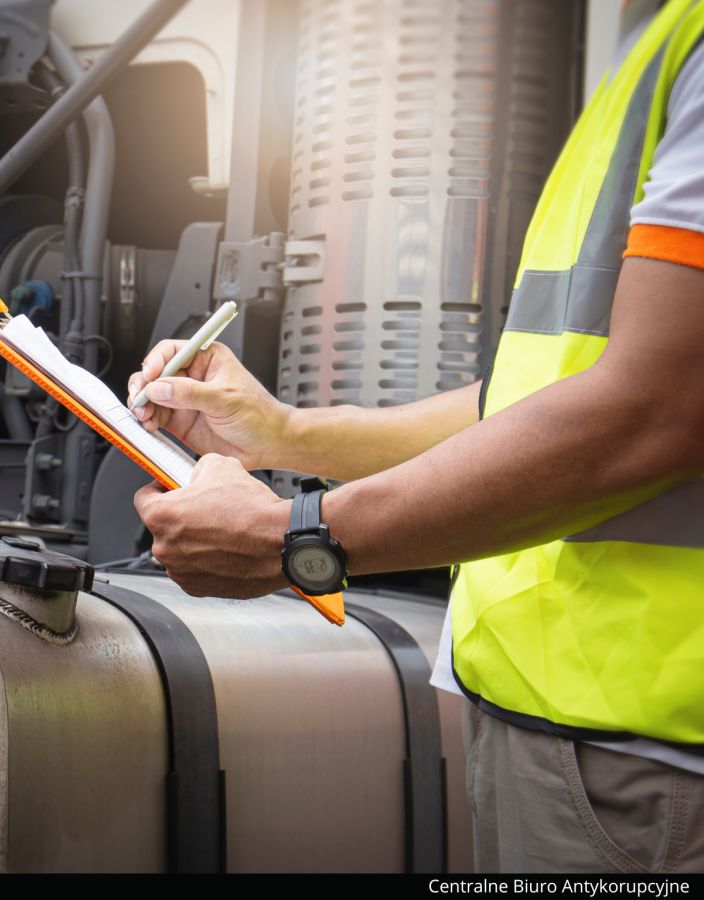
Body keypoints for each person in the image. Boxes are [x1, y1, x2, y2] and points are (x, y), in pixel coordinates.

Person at [128, 0, 704, 874]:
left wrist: (293, 543)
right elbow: (538, 394)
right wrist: (282, 434)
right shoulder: (660, 41)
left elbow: (659, 410)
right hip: (555, 735)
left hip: (654, 765)